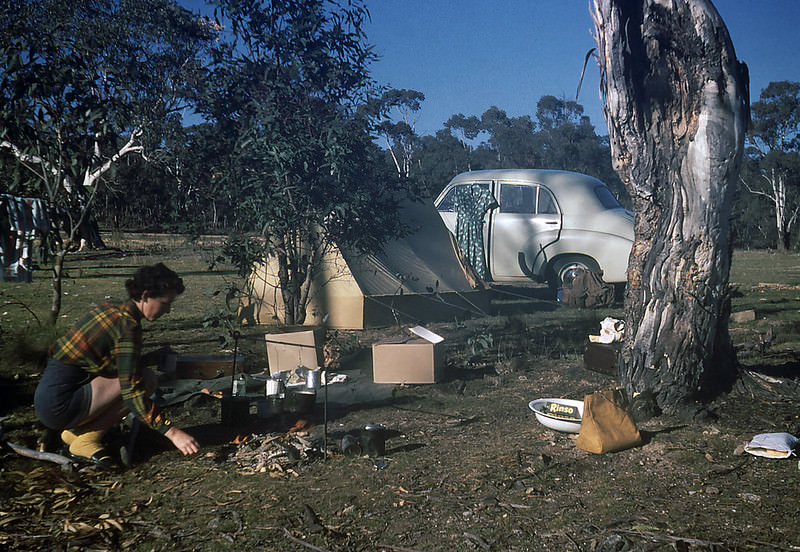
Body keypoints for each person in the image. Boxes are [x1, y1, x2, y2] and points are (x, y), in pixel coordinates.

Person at [34, 263, 200, 468]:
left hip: (49, 399)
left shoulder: (112, 310)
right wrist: (172, 432)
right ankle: (86, 440)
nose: (167, 310)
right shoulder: (128, 327)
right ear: (146, 295)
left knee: (140, 374)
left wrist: (149, 358)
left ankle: (74, 433)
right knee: (146, 380)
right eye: (166, 303)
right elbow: (131, 390)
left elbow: (108, 363)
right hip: (60, 406)